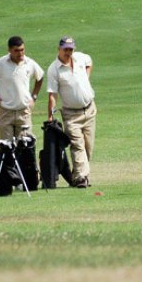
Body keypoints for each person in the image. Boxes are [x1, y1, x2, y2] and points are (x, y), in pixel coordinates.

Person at [46, 36, 96, 188]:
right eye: (65, 49)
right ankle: (81, 178)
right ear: (59, 49)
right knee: (77, 145)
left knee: (88, 148)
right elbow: (52, 95)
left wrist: (87, 77)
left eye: (70, 49)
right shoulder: (54, 69)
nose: (68, 52)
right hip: (71, 114)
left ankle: (78, 177)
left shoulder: (80, 58)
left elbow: (90, 62)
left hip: (90, 109)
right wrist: (50, 115)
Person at [0, 36, 44, 141]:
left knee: (25, 148)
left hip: (23, 112)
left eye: (22, 50)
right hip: (5, 112)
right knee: (7, 148)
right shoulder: (0, 63)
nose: (20, 53)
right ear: (9, 50)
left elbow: (40, 76)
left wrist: (34, 96)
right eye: (16, 51)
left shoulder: (29, 63)